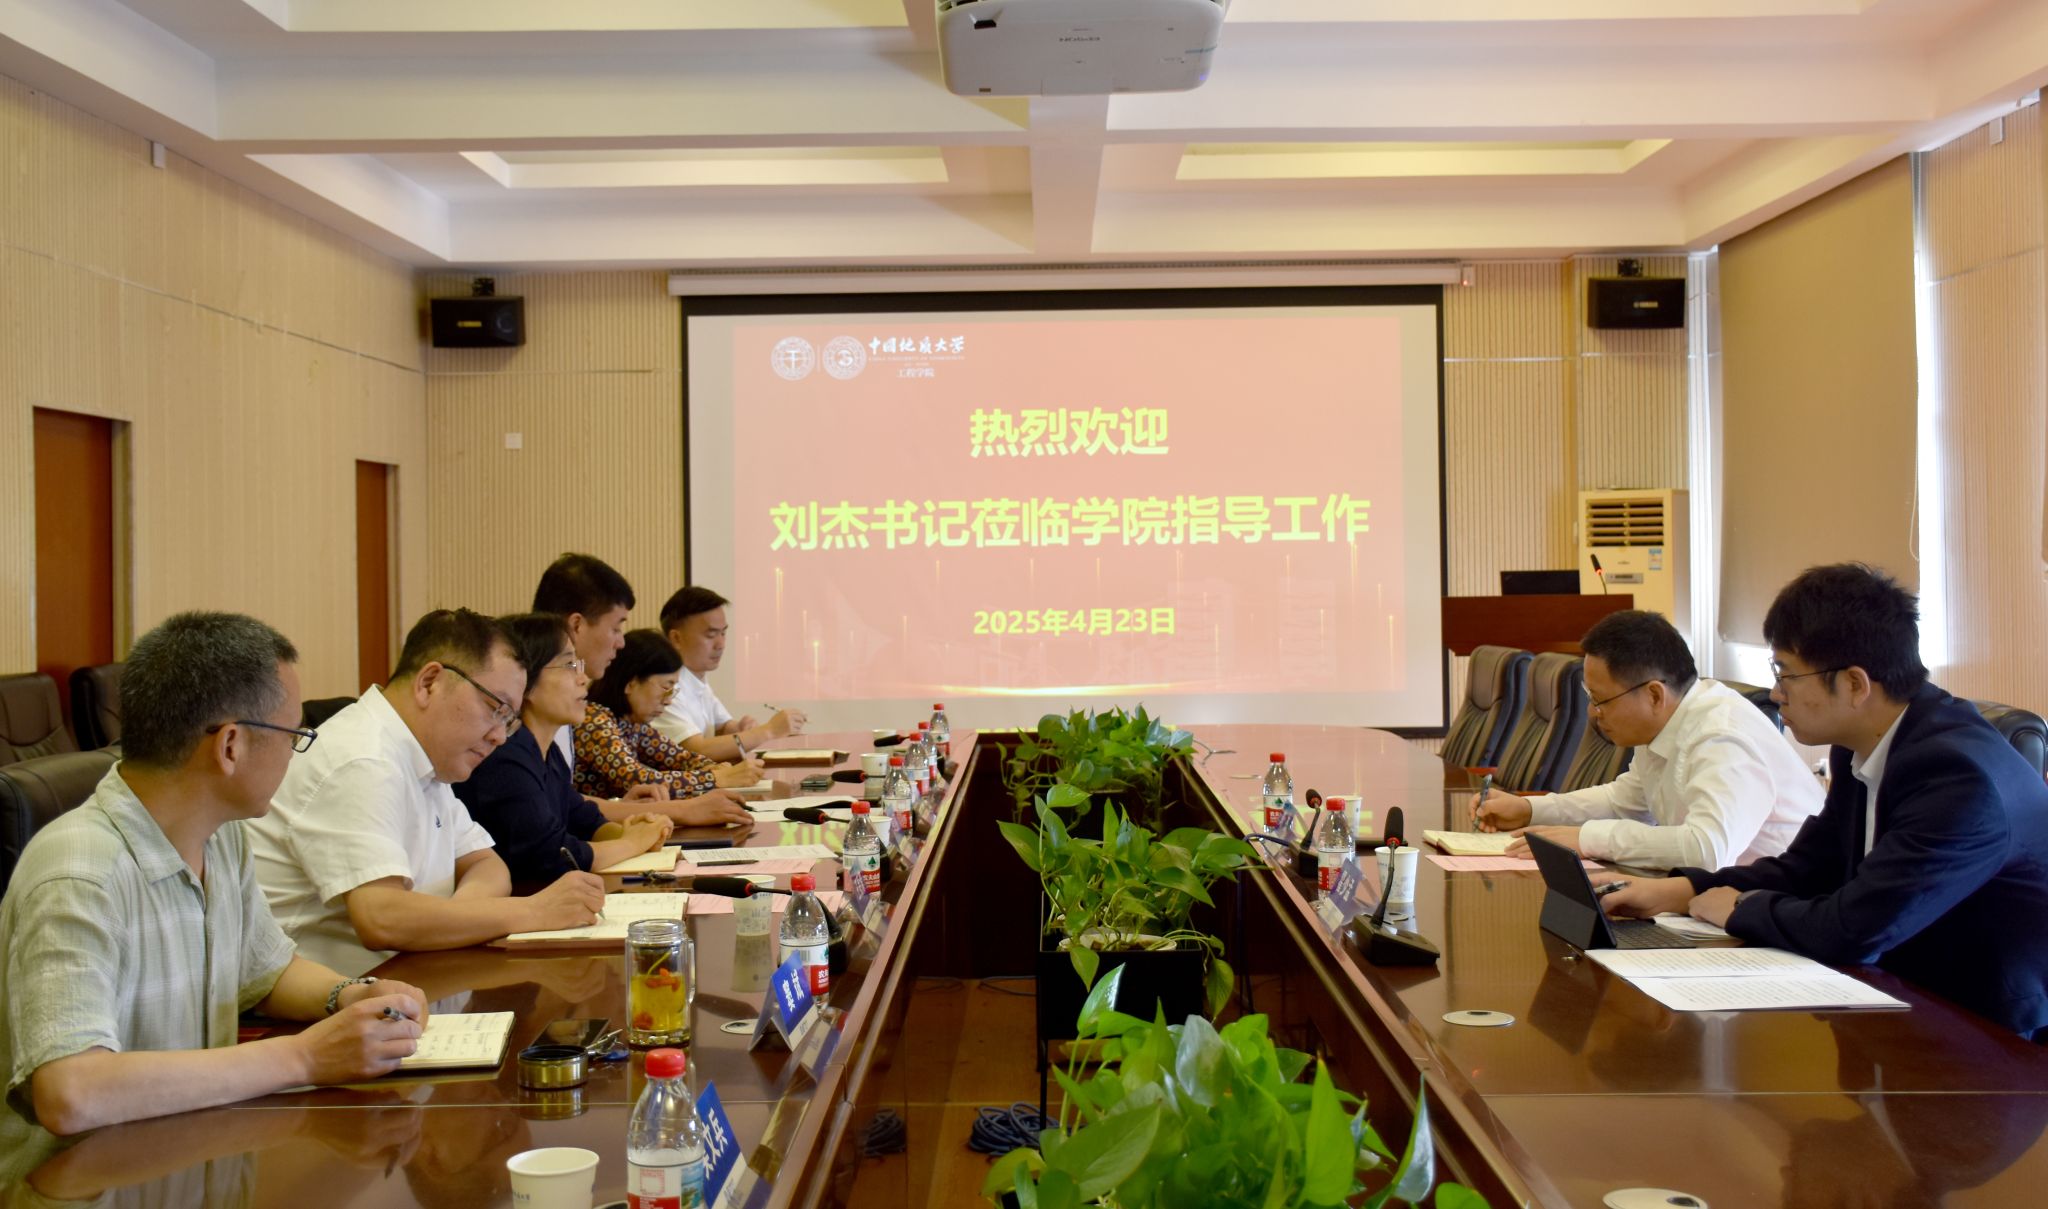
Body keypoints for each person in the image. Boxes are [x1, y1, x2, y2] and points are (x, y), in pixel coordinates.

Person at [0, 612, 428, 1137]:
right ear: (231, 746)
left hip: (192, 1146)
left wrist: (351, 995)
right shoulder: (77, 873)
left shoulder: (220, 837)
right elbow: (70, 1092)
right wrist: (303, 1057)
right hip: (88, 1172)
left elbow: (264, 972)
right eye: (294, 734)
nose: (296, 752)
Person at [1603, 564, 2048, 1039]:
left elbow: (1855, 929)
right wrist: (1682, 891)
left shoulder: (1956, 777)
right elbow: (1808, 869)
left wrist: (1740, 907)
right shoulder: (1865, 744)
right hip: (1896, 999)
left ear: (1855, 684)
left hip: (1988, 1034)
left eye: (1786, 675)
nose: (1776, 694)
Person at [248, 609, 608, 976]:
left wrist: (458, 918)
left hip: (410, 979)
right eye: (495, 709)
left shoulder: (426, 759)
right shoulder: (361, 757)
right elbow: (382, 918)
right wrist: (534, 911)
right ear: (429, 683)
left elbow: (487, 864)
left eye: (509, 720)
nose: (500, 736)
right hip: (334, 996)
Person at [1474, 609, 1823, 869]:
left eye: (1601, 700)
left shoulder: (1722, 734)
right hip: (1727, 900)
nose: (1593, 713)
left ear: (1654, 695)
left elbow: (1707, 849)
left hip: (1784, 913)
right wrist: (1530, 809)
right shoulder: (1668, 723)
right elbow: (1623, 802)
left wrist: (1588, 839)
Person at [452, 613, 674, 887]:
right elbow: (551, 856)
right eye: (569, 665)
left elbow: (585, 820)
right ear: (524, 681)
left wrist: (633, 832)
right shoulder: (504, 755)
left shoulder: (547, 751)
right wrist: (632, 843)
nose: (583, 678)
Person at [573, 629, 759, 811]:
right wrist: (717, 778)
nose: (669, 700)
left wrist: (717, 768)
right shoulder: (594, 722)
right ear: (631, 683)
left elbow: (681, 758)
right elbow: (636, 779)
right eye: (665, 688)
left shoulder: (632, 724)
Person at [652, 586, 806, 760]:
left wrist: (741, 729)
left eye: (723, 633)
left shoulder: (696, 678)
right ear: (676, 638)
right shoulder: (665, 688)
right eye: (711, 635)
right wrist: (769, 731)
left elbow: (723, 726)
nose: (721, 644)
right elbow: (695, 751)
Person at [532, 553, 637, 768]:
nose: (621, 643)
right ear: (576, 625)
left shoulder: (566, 695)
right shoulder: (536, 699)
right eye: (616, 628)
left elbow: (559, 790)